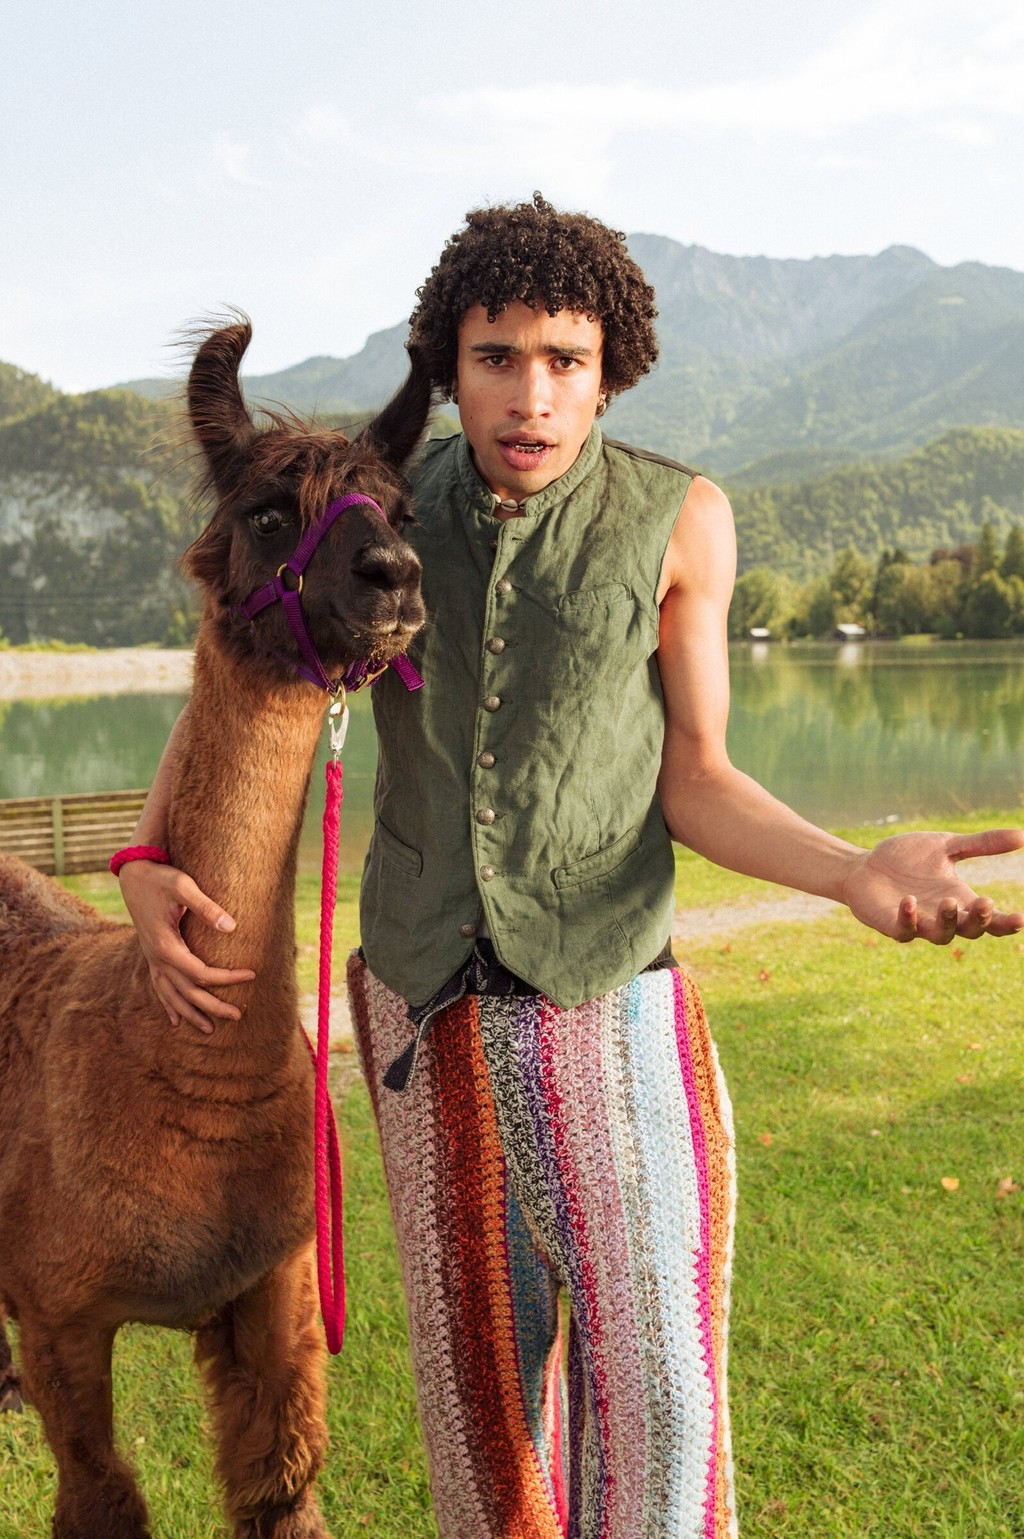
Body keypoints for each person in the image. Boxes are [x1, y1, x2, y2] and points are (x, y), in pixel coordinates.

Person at [120, 194, 1023, 1539]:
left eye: (566, 360)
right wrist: (145, 854)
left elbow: (697, 772)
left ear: (612, 370)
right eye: (496, 358)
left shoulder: (680, 518)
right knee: (481, 1415)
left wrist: (849, 870)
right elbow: (246, 655)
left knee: (661, 1396)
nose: (531, 395)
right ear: (451, 365)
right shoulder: (373, 508)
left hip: (612, 1001)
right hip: (426, 1012)